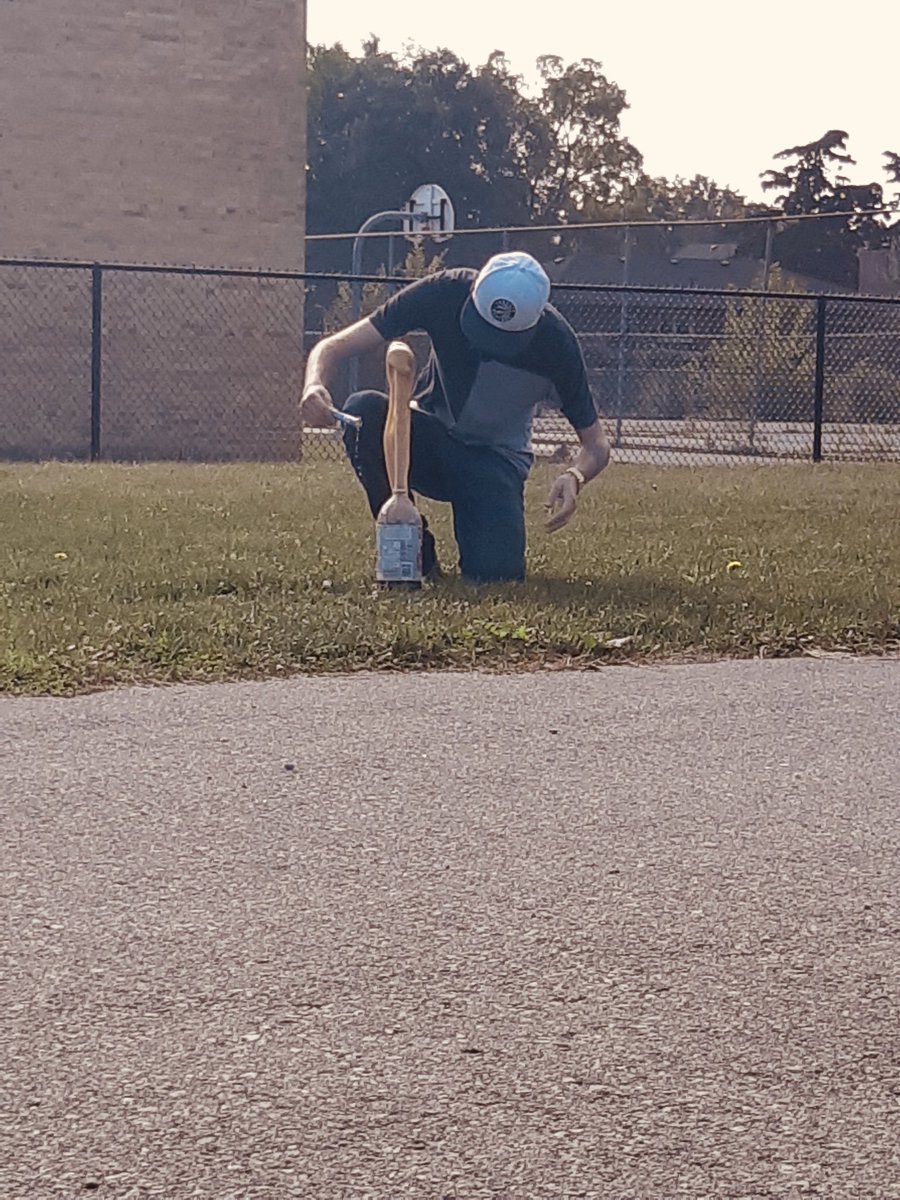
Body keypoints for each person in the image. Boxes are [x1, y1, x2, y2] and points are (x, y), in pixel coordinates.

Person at [300, 251, 610, 583]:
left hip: (494, 462)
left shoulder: (557, 345)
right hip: (429, 441)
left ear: (535, 323)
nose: (485, 346)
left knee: (497, 575)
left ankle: (485, 545)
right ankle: (411, 546)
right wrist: (313, 383)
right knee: (363, 411)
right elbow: (333, 347)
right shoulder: (443, 291)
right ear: (473, 291)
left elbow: (596, 445)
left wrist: (575, 476)